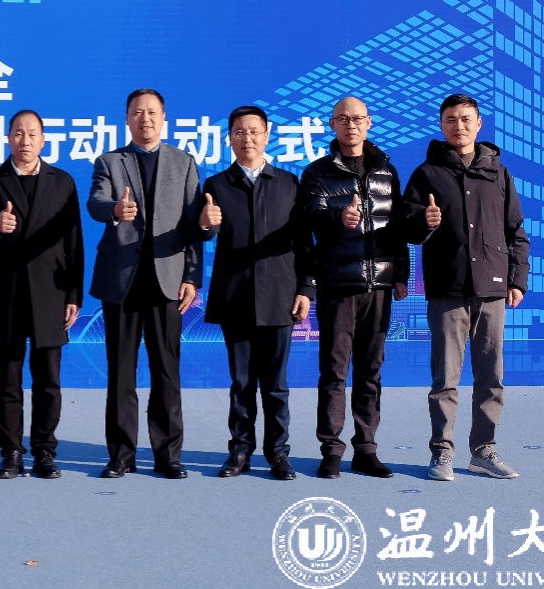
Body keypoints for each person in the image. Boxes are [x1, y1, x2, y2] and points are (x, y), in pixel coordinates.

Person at [402, 93, 530, 481]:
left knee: (491, 377)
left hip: (492, 288)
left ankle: (483, 450)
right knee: (445, 379)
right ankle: (442, 452)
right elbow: (406, 230)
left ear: (478, 124)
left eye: (465, 119)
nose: (458, 126)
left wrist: (517, 279)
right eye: (451, 120)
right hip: (448, 288)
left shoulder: (498, 173)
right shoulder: (426, 174)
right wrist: (424, 221)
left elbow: (515, 232)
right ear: (441, 125)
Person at [87, 88, 203, 479]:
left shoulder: (184, 163)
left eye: (152, 112)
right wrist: (115, 210)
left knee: (166, 372)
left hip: (167, 282)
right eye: (137, 112)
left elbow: (194, 225)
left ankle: (168, 455)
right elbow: (96, 203)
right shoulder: (109, 161)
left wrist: (192, 276)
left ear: (164, 118)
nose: (145, 119)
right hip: (121, 281)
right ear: (127, 119)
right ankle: (121, 455)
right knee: (121, 373)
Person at [299, 96, 410, 480]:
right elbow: (309, 218)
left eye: (358, 119)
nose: (351, 125)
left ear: (369, 122)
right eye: (343, 119)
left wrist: (399, 274)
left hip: (378, 286)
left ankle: (366, 449)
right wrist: (337, 216)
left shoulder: (386, 171)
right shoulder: (316, 173)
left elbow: (396, 228)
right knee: (334, 371)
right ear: (332, 125)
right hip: (338, 285)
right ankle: (331, 450)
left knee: (370, 370)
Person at [201, 106, 314, 481]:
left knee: (277, 386)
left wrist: (305, 289)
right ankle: (240, 451)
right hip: (235, 297)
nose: (247, 138)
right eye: (239, 132)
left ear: (267, 136)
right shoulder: (216, 185)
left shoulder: (288, 183)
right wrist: (204, 224)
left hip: (280, 297)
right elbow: (202, 233)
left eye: (254, 131)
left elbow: (304, 243)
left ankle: (279, 453)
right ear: (229, 139)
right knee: (242, 384)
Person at [0, 109, 85, 480]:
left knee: (48, 381)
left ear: (43, 140)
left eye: (32, 133)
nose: (25, 140)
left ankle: (44, 451)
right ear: (8, 138)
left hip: (52, 293)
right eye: (18, 133)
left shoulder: (62, 181)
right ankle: (11, 453)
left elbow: (74, 241)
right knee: (8, 380)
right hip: (8, 294)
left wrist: (74, 294)